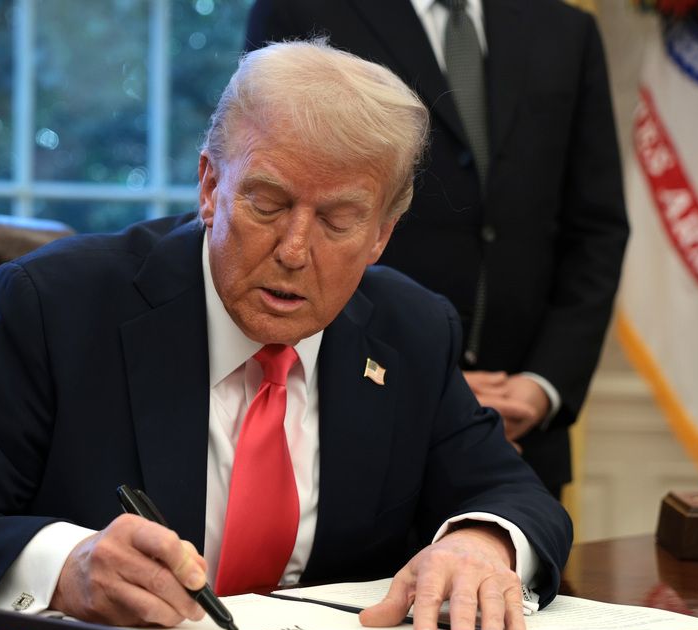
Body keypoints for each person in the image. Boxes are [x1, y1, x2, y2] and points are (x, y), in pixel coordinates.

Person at [0, 40, 572, 630]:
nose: (295, 250)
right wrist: (65, 566)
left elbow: (509, 492)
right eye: (267, 203)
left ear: (381, 234)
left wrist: (481, 540)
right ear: (209, 187)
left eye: (338, 222)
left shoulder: (411, 330)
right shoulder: (57, 309)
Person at [245, 0, 630, 498]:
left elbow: (597, 229)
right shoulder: (302, 12)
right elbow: (285, 190)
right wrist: (432, 385)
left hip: (523, 430)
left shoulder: (567, 30)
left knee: (510, 567)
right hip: (365, 413)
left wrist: (543, 385)